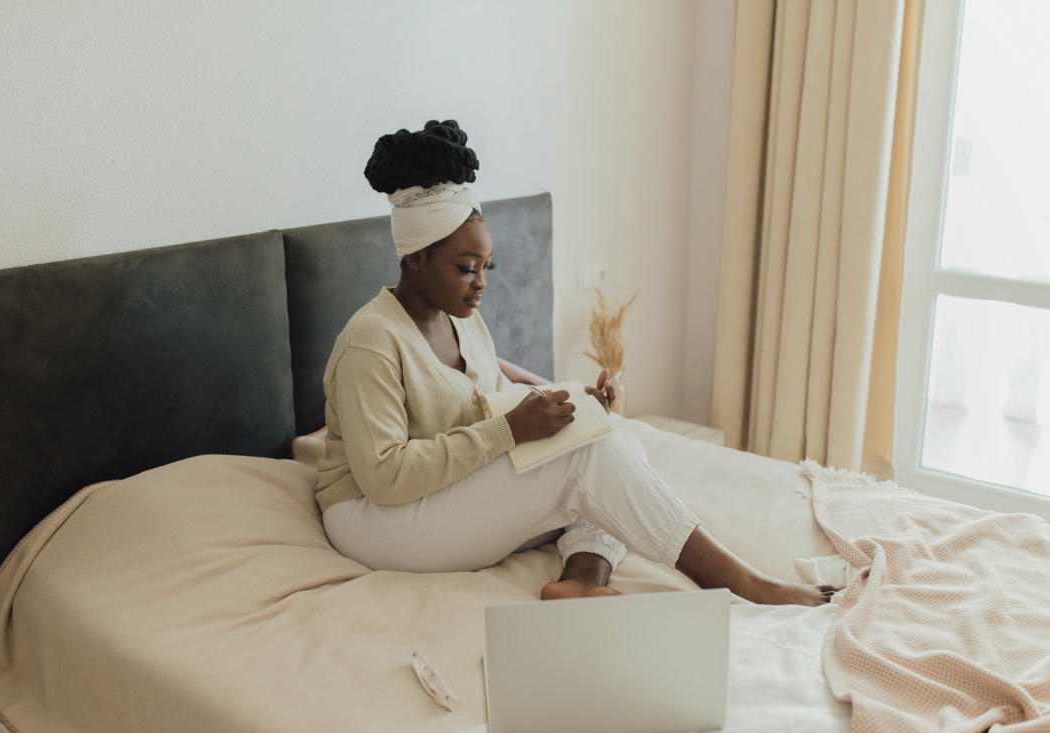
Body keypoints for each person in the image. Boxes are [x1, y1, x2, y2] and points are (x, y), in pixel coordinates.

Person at [316, 119, 833, 606]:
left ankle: (583, 579)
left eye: (485, 267)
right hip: (373, 518)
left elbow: (492, 391)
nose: (482, 283)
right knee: (590, 461)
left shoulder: (463, 319)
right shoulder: (371, 341)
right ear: (416, 258)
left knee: (617, 441)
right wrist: (510, 433)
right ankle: (739, 581)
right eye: (466, 269)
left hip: (432, 494)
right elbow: (385, 476)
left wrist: (573, 406)